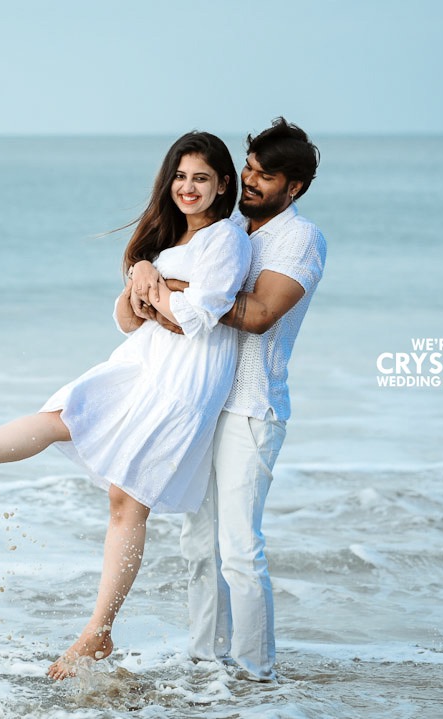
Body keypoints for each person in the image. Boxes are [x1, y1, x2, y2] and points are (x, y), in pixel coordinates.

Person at [0, 131, 251, 680]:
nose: (187, 187)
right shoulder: (168, 236)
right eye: (180, 177)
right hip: (140, 363)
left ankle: (98, 631)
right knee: (66, 414)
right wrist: (143, 277)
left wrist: (154, 280)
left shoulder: (227, 240)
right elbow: (129, 319)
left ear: (224, 183)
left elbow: (197, 316)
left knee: (127, 500)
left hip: (184, 381)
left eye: (201, 178)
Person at [137, 117, 326, 682]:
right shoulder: (226, 230)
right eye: (247, 169)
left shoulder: (301, 238)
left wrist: (176, 291)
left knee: (240, 548)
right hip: (200, 401)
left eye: (265, 176)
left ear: (293, 187)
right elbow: (168, 292)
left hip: (251, 406)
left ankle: (255, 673)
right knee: (197, 543)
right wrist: (151, 272)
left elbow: (263, 315)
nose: (250, 181)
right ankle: (204, 659)